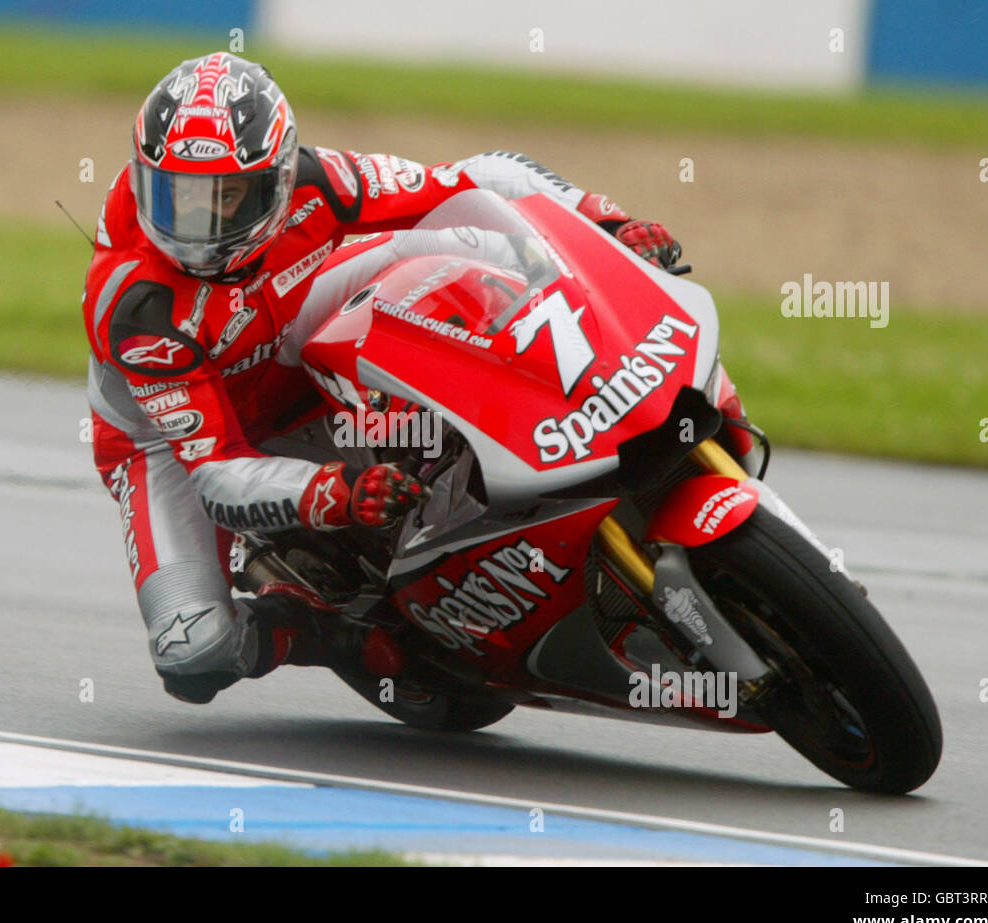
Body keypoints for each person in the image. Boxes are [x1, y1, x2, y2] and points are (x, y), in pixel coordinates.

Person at [83, 51, 682, 704]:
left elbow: (467, 182)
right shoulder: (136, 307)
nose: (201, 228)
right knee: (193, 651)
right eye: (180, 196)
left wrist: (605, 226)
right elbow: (218, 472)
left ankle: (540, 384)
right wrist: (338, 494)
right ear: (146, 179)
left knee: (460, 231)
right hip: (171, 444)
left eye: (229, 198)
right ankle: (325, 630)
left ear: (278, 178)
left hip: (275, 326)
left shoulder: (318, 179)